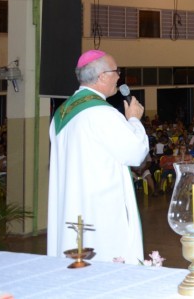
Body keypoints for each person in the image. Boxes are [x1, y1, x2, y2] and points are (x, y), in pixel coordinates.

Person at [47, 50, 148, 263]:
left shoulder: (61, 113)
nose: (119, 77)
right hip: (100, 210)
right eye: (115, 72)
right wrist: (134, 119)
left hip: (71, 205)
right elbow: (136, 153)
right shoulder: (102, 113)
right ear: (102, 76)